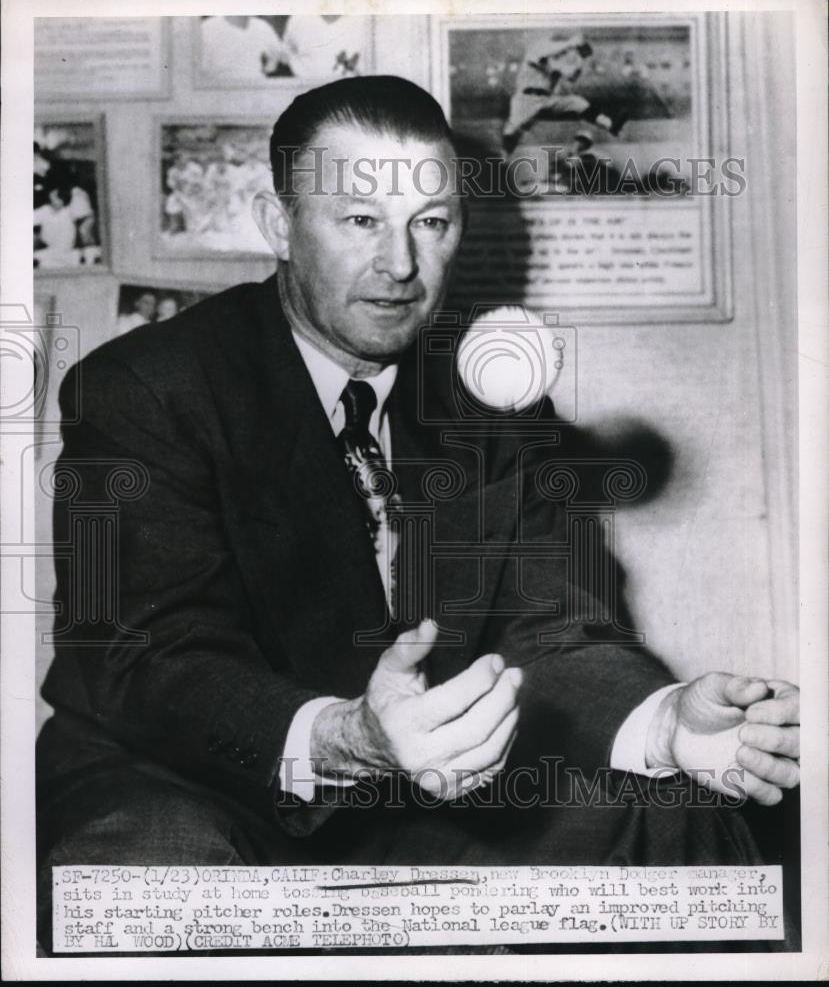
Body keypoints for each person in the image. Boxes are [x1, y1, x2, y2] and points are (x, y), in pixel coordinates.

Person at [37, 76, 799, 951]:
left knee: (673, 822)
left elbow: (553, 626)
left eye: (430, 223)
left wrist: (662, 723)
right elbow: (138, 652)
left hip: (420, 794)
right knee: (155, 878)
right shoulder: (142, 388)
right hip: (189, 783)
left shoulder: (489, 398)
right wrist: (341, 736)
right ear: (278, 224)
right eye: (360, 220)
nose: (400, 266)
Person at [502, 33, 628, 154]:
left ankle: (611, 125)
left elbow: (572, 76)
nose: (563, 52)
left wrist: (581, 57)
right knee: (511, 134)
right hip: (526, 100)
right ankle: (502, 162)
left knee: (578, 103)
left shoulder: (556, 62)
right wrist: (570, 43)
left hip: (547, 100)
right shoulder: (536, 51)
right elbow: (547, 53)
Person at [200, 15, 283, 81]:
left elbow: (279, 58)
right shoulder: (208, 27)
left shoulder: (262, 26)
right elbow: (201, 72)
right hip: (220, 90)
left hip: (257, 88)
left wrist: (271, 66)